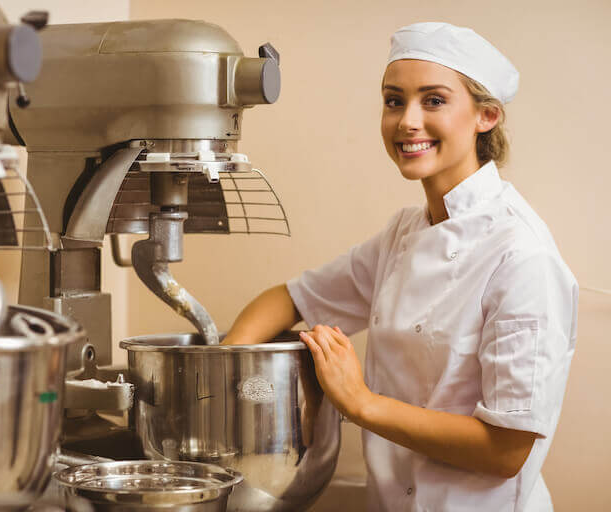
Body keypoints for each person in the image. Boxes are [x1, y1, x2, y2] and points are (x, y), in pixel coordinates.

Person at [222, 22, 578, 512]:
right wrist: (220, 374)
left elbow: (506, 450)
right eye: (394, 101)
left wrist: (361, 402)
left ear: (486, 116)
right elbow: (286, 300)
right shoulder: (403, 233)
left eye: (433, 101)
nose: (408, 121)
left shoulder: (521, 255)